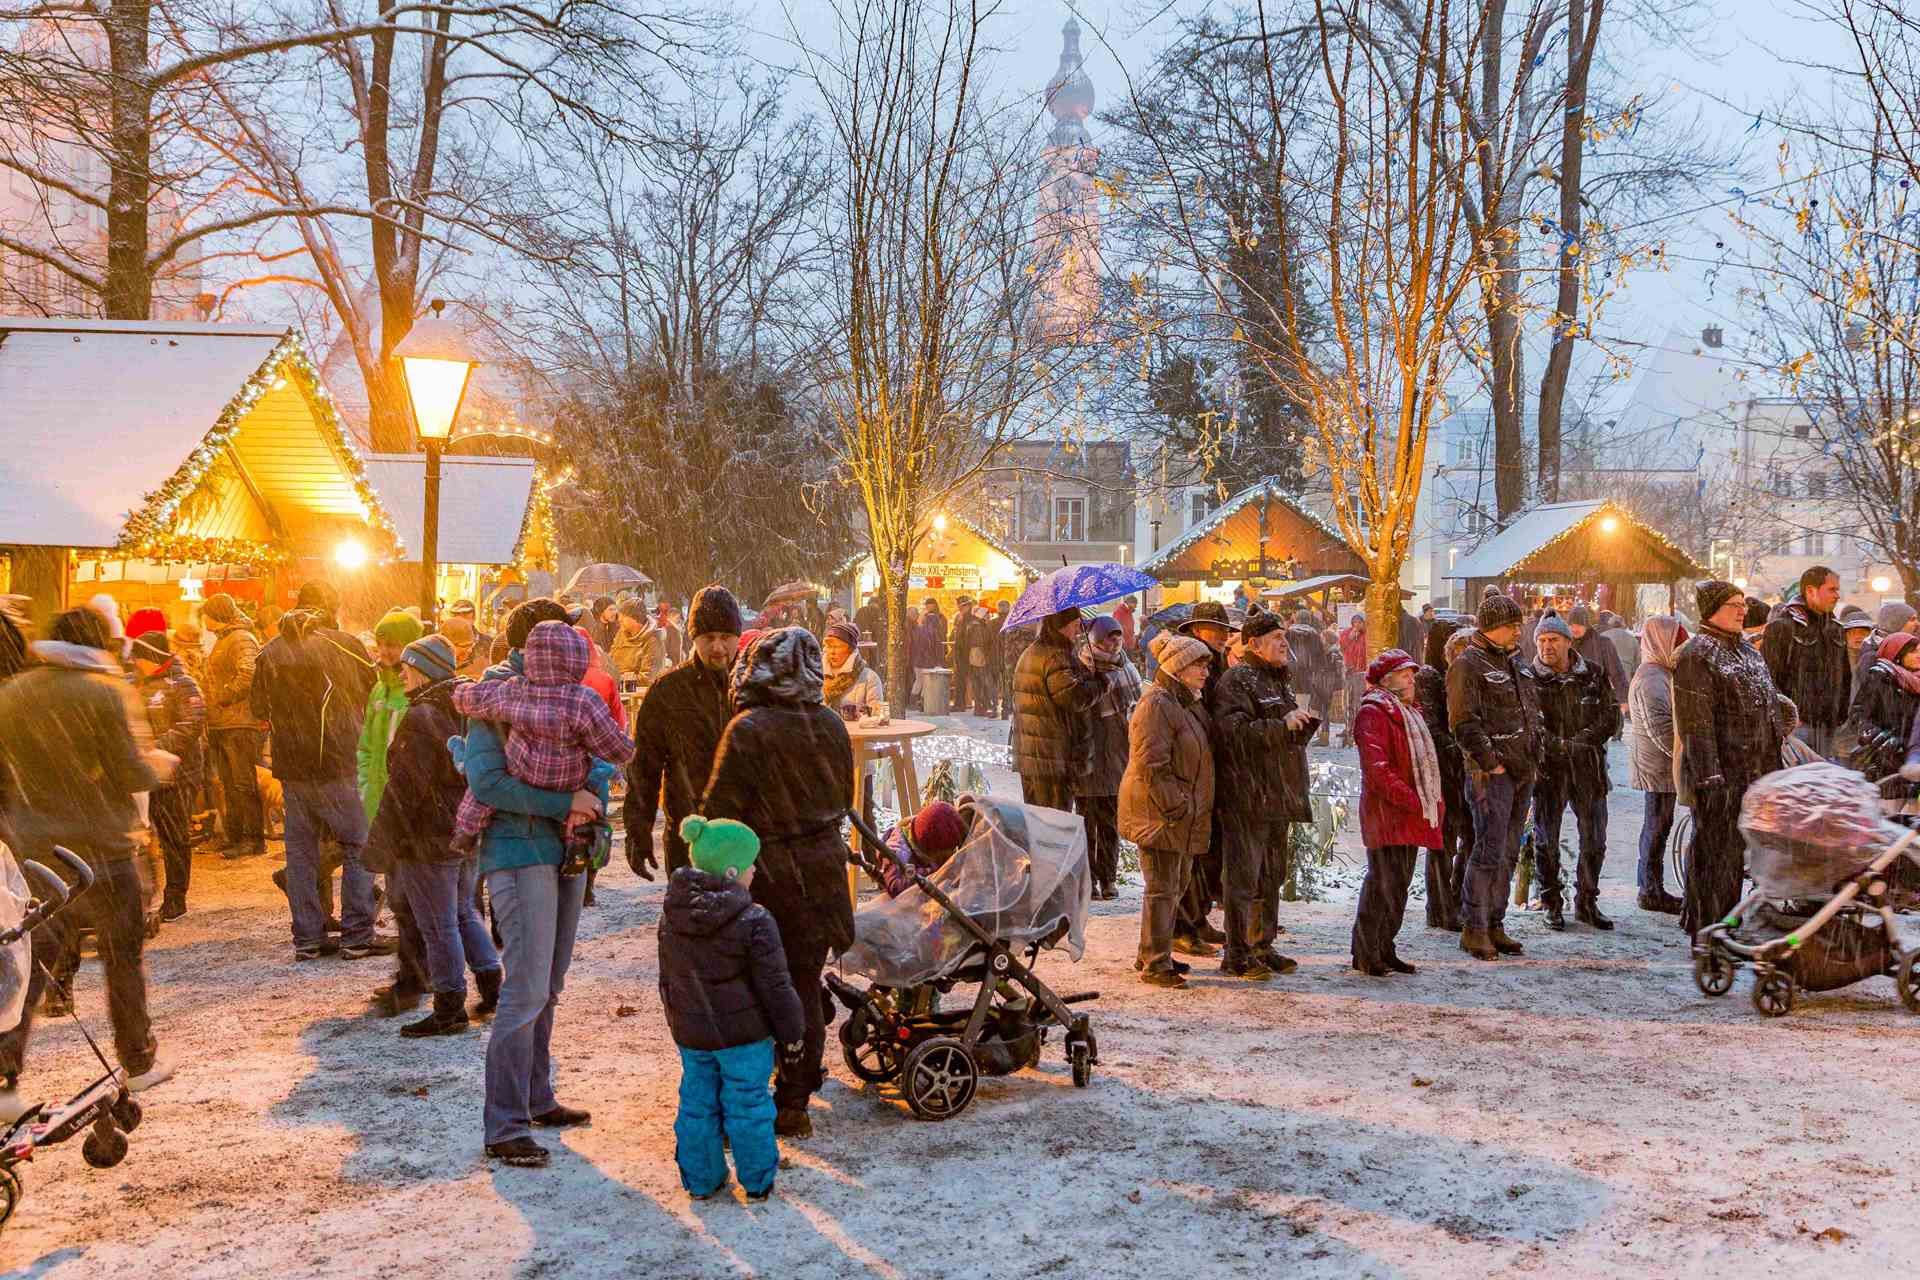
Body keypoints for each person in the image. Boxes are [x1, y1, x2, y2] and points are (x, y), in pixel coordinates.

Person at [0, 607, 173, 1120]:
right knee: (123, 955)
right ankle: (137, 1058)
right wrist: (160, 766)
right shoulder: (104, 691)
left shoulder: (14, 695)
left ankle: (6, 1076)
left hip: (36, 848)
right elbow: (129, 771)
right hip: (103, 847)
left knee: (33, 965)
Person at [467, 597, 608, 1168]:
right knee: (524, 985)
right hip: (517, 848)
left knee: (549, 980)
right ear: (535, 648)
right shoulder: (494, 700)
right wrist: (563, 801)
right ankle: (503, 1123)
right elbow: (485, 782)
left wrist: (592, 791)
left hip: (567, 852)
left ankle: (535, 1094)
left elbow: (602, 753)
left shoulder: (571, 699)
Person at [699, 628, 855, 1139]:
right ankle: (795, 1096)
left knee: (752, 986)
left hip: (764, 874)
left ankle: (749, 1092)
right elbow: (842, 799)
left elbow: (720, 814)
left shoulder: (748, 730)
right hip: (823, 876)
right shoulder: (831, 725)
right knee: (802, 985)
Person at [661, 814, 806, 1202]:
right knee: (748, 1104)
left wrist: (679, 1021)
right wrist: (792, 1033)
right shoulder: (754, 919)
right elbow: (776, 987)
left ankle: (702, 1180)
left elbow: (667, 979)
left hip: (693, 1035)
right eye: (750, 862)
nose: (756, 869)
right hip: (745, 1038)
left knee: (697, 1104)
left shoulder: (672, 917)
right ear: (731, 871)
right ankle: (757, 1180)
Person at [366, 634, 504, 1037]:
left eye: (407, 667)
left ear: (425, 669)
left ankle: (449, 1007)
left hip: (428, 835)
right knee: (463, 911)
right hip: (465, 828)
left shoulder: (421, 716)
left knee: (439, 924)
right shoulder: (463, 708)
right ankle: (492, 985)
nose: (401, 674)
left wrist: (382, 843)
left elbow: (404, 787)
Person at [251, 582, 388, 961]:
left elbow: (258, 708)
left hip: (293, 768)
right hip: (341, 762)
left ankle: (308, 937)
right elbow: (372, 694)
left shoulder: (271, 650)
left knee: (301, 853)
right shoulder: (346, 645)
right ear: (334, 605)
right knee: (359, 845)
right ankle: (357, 935)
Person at [451, 622, 637, 850]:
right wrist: (630, 749)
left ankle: (466, 830)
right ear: (577, 657)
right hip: (568, 778)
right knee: (590, 785)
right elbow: (615, 748)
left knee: (478, 795)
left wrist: (459, 693)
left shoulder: (516, 690)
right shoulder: (582, 700)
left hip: (524, 770)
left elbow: (478, 699)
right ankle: (579, 842)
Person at [1674, 581, 1786, 936]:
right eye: (1733, 604)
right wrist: (1710, 779)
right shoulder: (1697, 654)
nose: (1742, 610)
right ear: (1712, 610)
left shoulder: (1748, 652)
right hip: (1721, 777)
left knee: (1734, 858)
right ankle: (1709, 932)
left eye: (1742, 604)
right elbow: (1697, 725)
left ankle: (1723, 925)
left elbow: (1769, 705)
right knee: (1715, 858)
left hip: (1753, 773)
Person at [1210, 610, 1316, 979]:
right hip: (1247, 796)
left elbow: (1276, 733)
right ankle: (1236, 952)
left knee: (1271, 875)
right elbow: (1232, 734)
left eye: (1284, 636)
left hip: (1277, 794)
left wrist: (1300, 724)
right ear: (1253, 644)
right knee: (1244, 878)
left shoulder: (1278, 680)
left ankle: (1262, 944)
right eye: (1276, 638)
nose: (1285, 643)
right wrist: (1279, 724)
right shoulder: (1237, 680)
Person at [1448, 592, 1543, 962]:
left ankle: (1495, 922)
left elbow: (1530, 709)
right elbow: (1463, 722)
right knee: (1488, 849)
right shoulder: (1468, 665)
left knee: (1508, 850)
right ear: (1492, 628)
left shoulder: (1514, 662)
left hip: (1521, 770)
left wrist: (1534, 753)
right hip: (1493, 775)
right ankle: (1475, 926)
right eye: (1512, 626)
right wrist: (1490, 762)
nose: (1519, 632)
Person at [625, 586, 743, 880]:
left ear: (737, 638)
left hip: (745, 833)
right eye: (708, 638)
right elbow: (644, 768)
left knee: (746, 923)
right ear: (694, 639)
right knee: (691, 920)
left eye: (725, 637)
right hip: (688, 833)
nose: (718, 647)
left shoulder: (752, 686)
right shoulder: (668, 690)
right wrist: (638, 832)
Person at [1121, 632, 1216, 989]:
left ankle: (1152, 951)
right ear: (1178, 667)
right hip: (1159, 812)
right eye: (1198, 665)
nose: (1206, 671)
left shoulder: (1183, 701)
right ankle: (1156, 963)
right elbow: (1151, 763)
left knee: (1174, 885)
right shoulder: (1159, 704)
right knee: (1162, 887)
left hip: (1176, 813)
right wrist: (1176, 804)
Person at [1526, 613, 1622, 931]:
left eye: (1553, 639)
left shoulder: (1592, 673)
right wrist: (1558, 746)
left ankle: (1587, 901)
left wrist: (1581, 742)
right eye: (1541, 640)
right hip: (1548, 772)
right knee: (1545, 841)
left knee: (1594, 840)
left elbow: (1610, 717)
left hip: (1589, 770)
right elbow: (1531, 724)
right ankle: (1551, 902)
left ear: (1568, 641)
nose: (1546, 646)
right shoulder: (1529, 678)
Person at [1351, 649, 1443, 976]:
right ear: (1388, 679)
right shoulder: (1374, 713)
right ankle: (1366, 951)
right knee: (1382, 884)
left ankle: (1385, 946)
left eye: (1411, 673)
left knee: (1398, 885)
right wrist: (1412, 799)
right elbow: (1378, 770)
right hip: (1386, 813)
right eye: (1405, 673)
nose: (1411, 678)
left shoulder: (1408, 711)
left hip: (1406, 813)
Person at [126, 610, 205, 921]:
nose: (135, 664)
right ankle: (146, 894)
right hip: (143, 773)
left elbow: (192, 723)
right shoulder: (134, 682)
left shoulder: (181, 683)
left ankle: (176, 896)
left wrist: (155, 748)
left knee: (174, 836)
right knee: (144, 836)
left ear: (153, 657)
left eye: (140, 658)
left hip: (176, 773)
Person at [1173, 602, 1238, 956]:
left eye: (1224, 630)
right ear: (1198, 631)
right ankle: (1184, 924)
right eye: (1217, 630)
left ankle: (1196, 919)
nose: (1224, 636)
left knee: (1205, 855)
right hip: (1193, 776)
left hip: (1207, 772)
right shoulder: (1193, 670)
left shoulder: (1214, 665)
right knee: (1192, 858)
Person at [1009, 607, 1105, 811]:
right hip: (1052, 757)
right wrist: (1099, 683)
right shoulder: (1056, 656)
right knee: (1054, 825)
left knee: (1038, 820)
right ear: (1063, 625)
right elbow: (1073, 698)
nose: (1078, 629)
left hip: (1033, 754)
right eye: (1075, 624)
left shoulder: (1032, 651)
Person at [1077, 615, 1142, 900]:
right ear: (1095, 640)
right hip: (1089, 752)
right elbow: (1079, 707)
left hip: (1117, 751)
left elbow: (1136, 704)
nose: (1115, 643)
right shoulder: (1083, 666)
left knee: (1110, 822)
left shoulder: (1126, 666)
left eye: (1117, 637)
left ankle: (1108, 878)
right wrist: (1095, 684)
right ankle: (1088, 878)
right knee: (1086, 822)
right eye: (1108, 638)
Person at [1626, 615, 1687, 915]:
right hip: (1658, 766)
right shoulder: (1652, 678)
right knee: (1656, 826)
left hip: (1662, 764)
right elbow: (1660, 727)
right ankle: (1650, 889)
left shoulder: (1661, 673)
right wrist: (1682, 757)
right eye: (1676, 642)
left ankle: (1651, 887)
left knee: (1659, 825)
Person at [201, 591, 267, 859]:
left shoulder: (240, 638)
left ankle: (252, 839)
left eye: (206, 613)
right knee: (229, 785)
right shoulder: (226, 639)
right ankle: (235, 836)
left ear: (215, 615)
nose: (203, 619)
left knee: (242, 783)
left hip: (238, 723)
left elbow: (249, 673)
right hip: (223, 723)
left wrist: (223, 697)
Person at [1762, 565, 1851, 757]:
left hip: (1828, 725)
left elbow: (1845, 676)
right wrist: (1788, 718)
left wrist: (1840, 714)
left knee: (1821, 780)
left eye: (1838, 590)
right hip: (1797, 727)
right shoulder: (1782, 627)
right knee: (1796, 781)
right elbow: (1768, 679)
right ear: (1810, 591)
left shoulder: (1836, 629)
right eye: (1832, 589)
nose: (1837, 595)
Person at [1415, 622, 1469, 931]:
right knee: (1443, 841)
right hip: (1442, 772)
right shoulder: (1430, 679)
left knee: (1466, 837)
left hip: (1461, 770)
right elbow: (1434, 731)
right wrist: (1462, 747)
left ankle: (1454, 899)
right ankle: (1440, 906)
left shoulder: (1459, 677)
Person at [1843, 632, 1920, 802]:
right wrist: (1882, 739)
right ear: (1898, 654)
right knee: (1887, 810)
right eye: (1913, 652)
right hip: (1884, 761)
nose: (1919, 655)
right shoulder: (1880, 678)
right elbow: (1858, 716)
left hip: (1912, 762)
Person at [873, 801, 969, 898]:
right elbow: (895, 887)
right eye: (943, 854)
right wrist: (932, 871)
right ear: (929, 849)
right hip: (902, 904)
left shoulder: (919, 833)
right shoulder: (897, 851)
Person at [1565, 605, 1627, 710]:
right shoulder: (1565, 644)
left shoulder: (1603, 643)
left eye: (1579, 624)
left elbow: (1617, 672)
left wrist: (1623, 698)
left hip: (1598, 701)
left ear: (1586, 625)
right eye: (1572, 625)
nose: (1575, 628)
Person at [822, 619, 884, 713]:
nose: (832, 652)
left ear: (850, 650)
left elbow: (876, 715)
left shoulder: (869, 678)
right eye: (829, 647)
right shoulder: (815, 677)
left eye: (837, 647)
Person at [1853, 601, 1915, 687]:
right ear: (1896, 622)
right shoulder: (1871, 657)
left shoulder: (1906, 648)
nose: (1917, 623)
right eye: (1912, 619)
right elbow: (1871, 695)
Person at [609, 598, 662, 695]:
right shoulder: (621, 634)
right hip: (617, 692)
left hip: (636, 697)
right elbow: (610, 661)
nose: (619, 619)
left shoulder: (653, 641)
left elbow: (648, 678)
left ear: (634, 619)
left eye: (623, 616)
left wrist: (620, 682)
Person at [441, 599, 494, 680]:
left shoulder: (488, 643)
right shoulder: (441, 642)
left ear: (474, 618)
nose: (461, 619)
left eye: (465, 616)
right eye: (456, 616)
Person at [1338, 612, 1368, 745]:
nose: (1357, 625)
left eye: (1359, 622)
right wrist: (1350, 638)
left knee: (1358, 703)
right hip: (1349, 672)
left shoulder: (1367, 635)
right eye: (1354, 622)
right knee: (1347, 703)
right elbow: (1342, 647)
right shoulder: (1347, 633)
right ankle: (1348, 728)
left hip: (1361, 673)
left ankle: (1357, 729)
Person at [655, 603, 685, 669]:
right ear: (670, 617)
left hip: (677, 661)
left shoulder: (676, 628)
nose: (678, 619)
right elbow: (665, 646)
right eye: (677, 617)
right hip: (672, 662)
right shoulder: (669, 629)